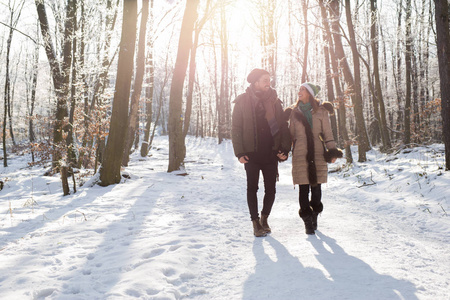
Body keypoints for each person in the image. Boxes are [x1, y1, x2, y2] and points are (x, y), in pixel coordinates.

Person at [231, 68, 291, 237]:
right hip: (251, 154)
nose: (268, 82)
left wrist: (285, 149)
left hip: (271, 153)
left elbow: (283, 127)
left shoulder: (275, 101)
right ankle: (255, 222)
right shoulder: (242, 102)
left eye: (269, 79)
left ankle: (265, 218)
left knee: (271, 190)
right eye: (264, 79)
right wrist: (239, 152)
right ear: (255, 82)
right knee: (252, 188)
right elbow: (236, 129)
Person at [286, 82, 342, 235]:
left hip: (317, 151)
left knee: (316, 188)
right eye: (299, 89)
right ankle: (307, 221)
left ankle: (315, 214)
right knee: (303, 188)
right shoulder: (293, 112)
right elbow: (290, 135)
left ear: (310, 93)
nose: (299, 91)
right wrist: (283, 150)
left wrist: (332, 152)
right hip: (300, 153)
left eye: (303, 89)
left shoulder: (321, 111)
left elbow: (328, 133)